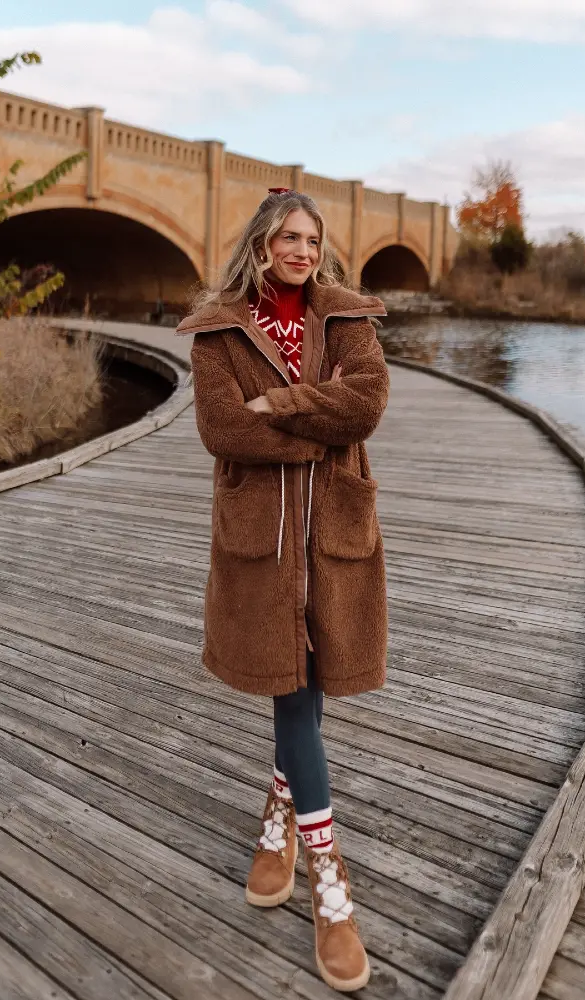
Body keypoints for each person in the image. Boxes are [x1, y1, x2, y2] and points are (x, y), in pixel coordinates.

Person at [176, 188, 389, 993]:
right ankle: (331, 888)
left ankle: (280, 817)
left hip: (331, 534)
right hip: (262, 545)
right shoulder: (220, 328)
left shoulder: (348, 317)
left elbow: (364, 406)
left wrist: (286, 402)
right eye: (288, 237)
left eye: (312, 237)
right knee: (293, 692)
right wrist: (313, 429)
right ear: (262, 244)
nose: (303, 249)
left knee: (313, 676)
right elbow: (222, 428)